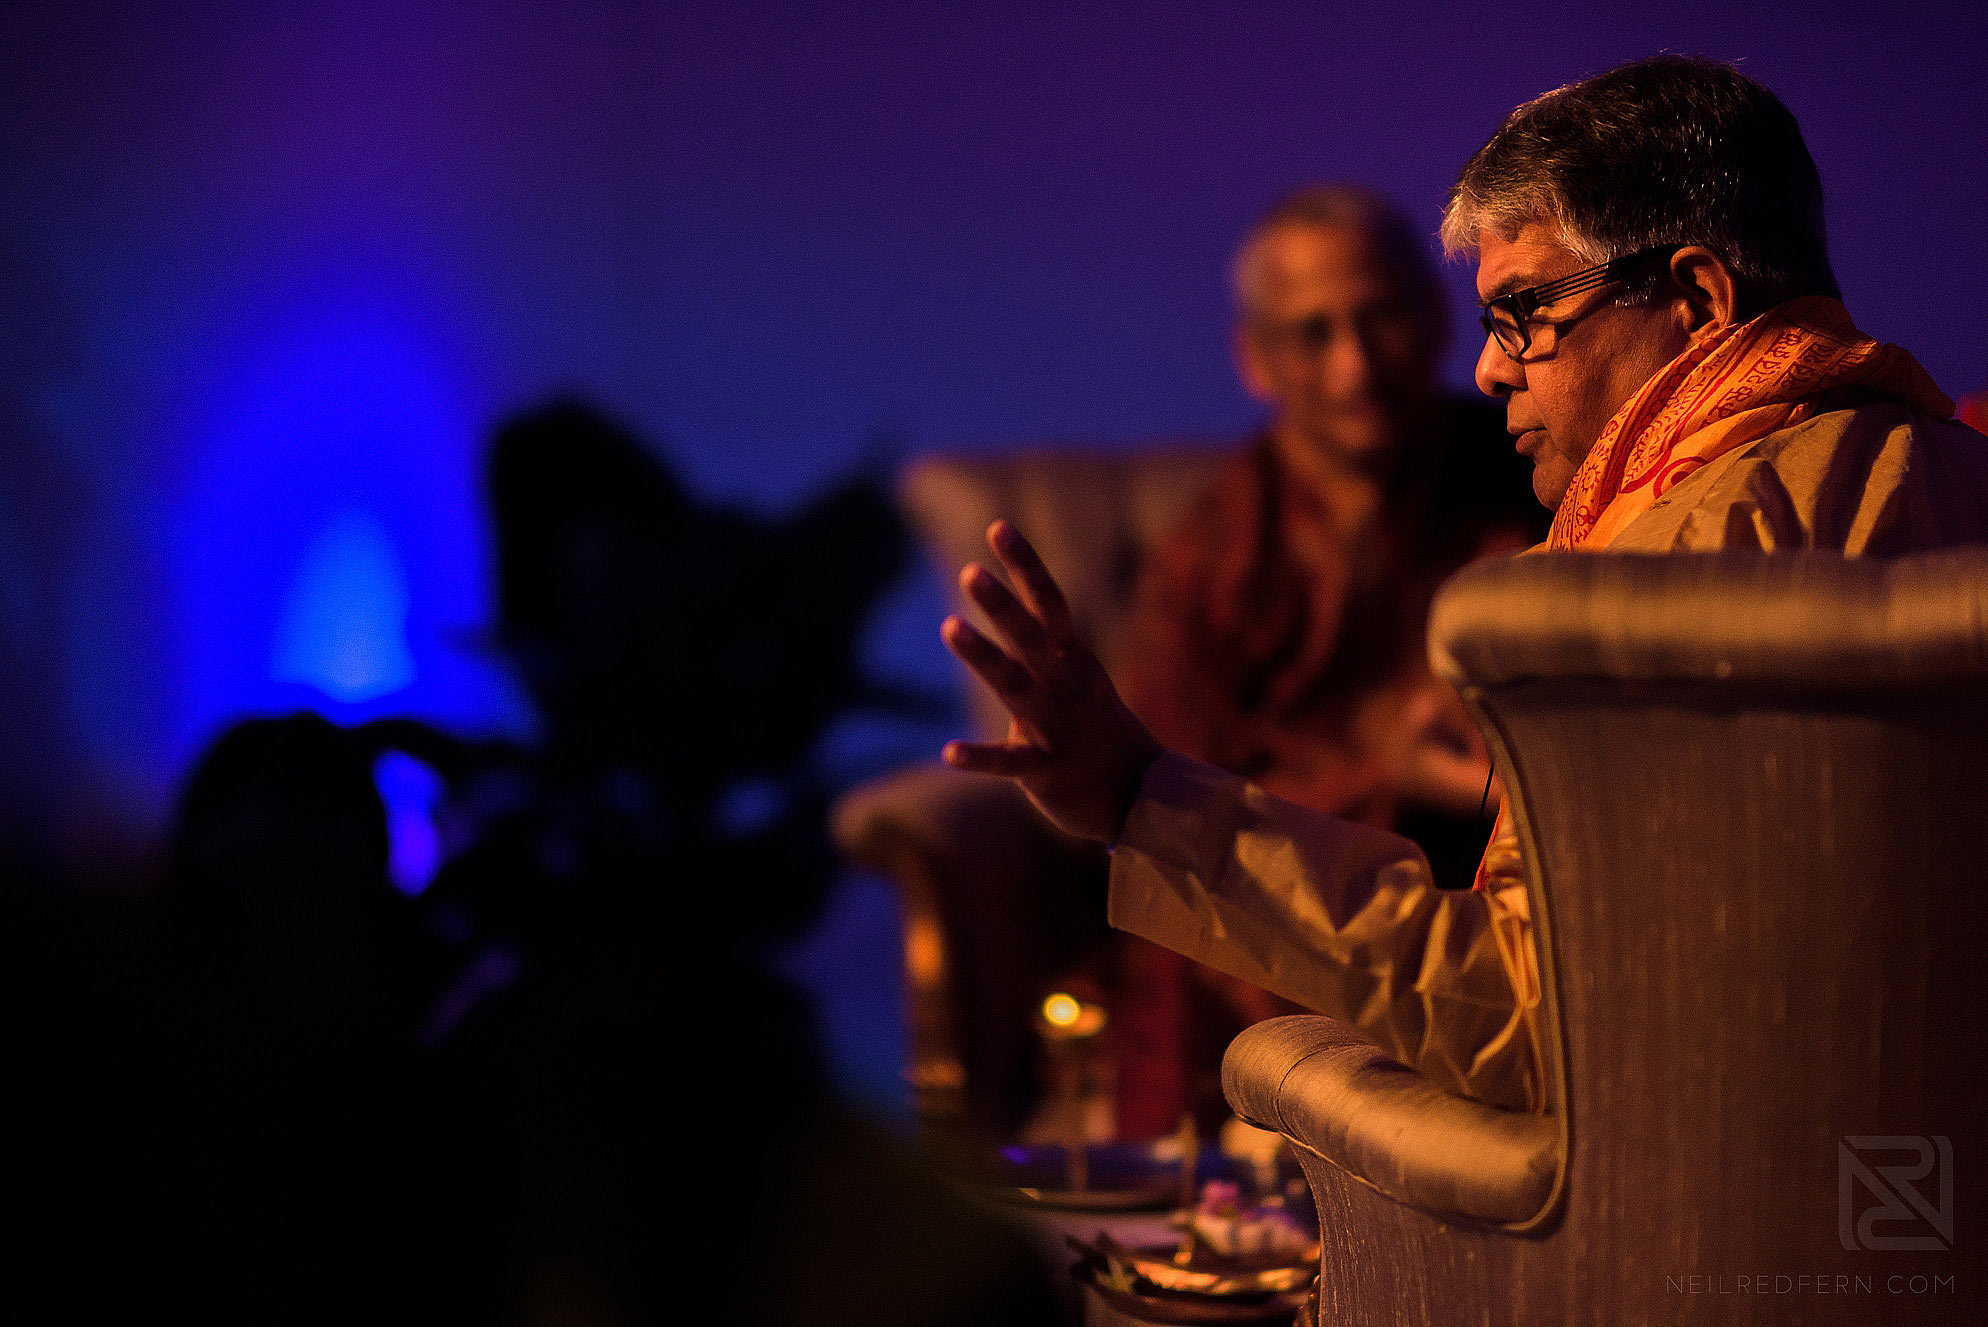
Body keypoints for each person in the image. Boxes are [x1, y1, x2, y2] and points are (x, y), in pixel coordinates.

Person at [937, 55, 1988, 1114]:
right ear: (1256, 360)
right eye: (1488, 324)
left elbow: (1535, 1024)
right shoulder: (1949, 466)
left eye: (1521, 311)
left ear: (1694, 300)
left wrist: (1140, 798)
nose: (1488, 371)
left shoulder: (1650, 574)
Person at [1086, 186, 1543, 1136]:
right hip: (1283, 940)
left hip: (1507, 900)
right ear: (1257, 358)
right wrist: (1385, 767)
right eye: (1314, 333)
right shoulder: (1214, 553)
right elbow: (1159, 813)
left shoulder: (1527, 471)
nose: (1357, 366)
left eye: (1381, 320)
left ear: (1435, 321)